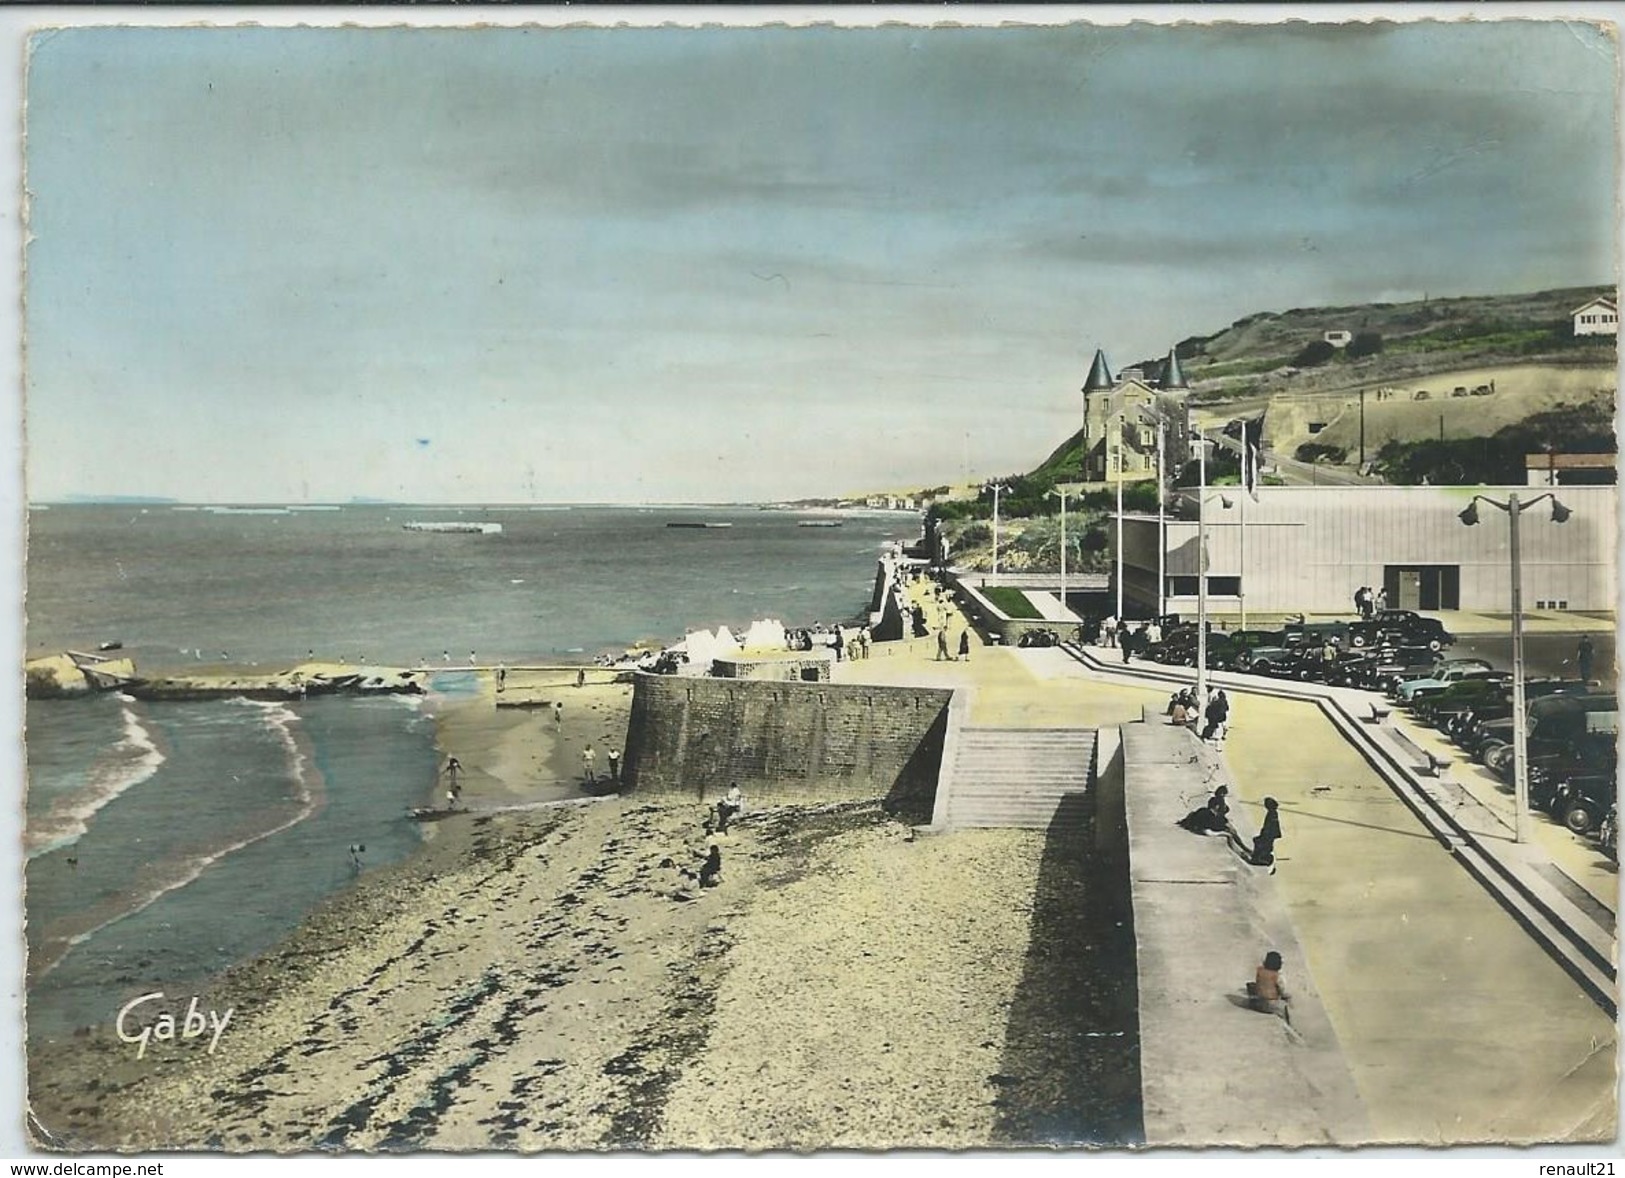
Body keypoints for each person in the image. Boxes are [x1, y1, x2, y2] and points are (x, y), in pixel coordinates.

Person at [1247, 950, 1291, 1020]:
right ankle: (1286, 1021)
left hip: (1259, 1002)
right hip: (1271, 1004)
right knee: (1284, 1006)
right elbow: (1282, 990)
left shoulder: (1259, 970)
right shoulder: (1277, 976)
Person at [1252, 796, 1282, 866]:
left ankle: (1259, 857)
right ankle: (1260, 856)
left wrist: (1264, 833)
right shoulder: (1272, 813)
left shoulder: (1272, 814)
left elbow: (1270, 825)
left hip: (1269, 834)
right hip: (1269, 833)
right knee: (1259, 841)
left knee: (1260, 842)